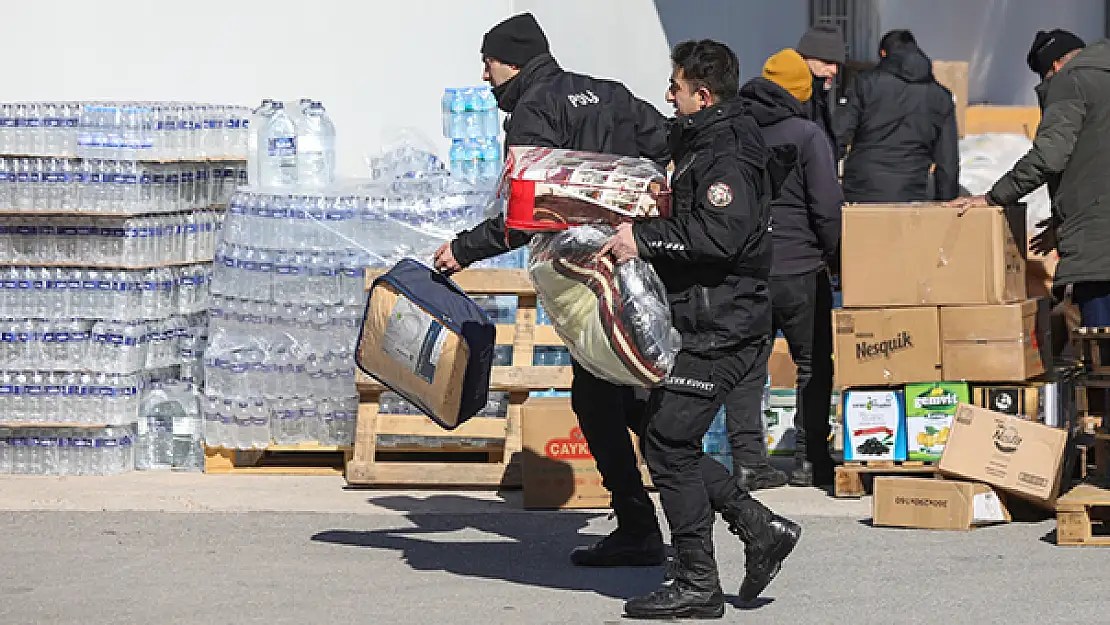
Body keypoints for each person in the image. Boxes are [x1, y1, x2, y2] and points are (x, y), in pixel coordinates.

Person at [431, 12, 673, 568]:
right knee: (627, 388)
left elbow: (526, 215)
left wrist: (463, 249)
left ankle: (662, 520)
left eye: (489, 63)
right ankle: (676, 512)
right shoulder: (606, 93)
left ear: (512, 61)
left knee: (599, 395)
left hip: (582, 278)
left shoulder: (533, 110)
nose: (487, 76)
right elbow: (668, 143)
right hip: (633, 263)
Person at [599, 39, 801, 620]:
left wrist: (646, 239)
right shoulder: (705, 136)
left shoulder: (729, 154)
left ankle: (698, 582)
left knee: (667, 444)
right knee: (663, 433)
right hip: (708, 319)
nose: (670, 95)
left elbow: (722, 236)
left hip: (724, 327)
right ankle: (760, 528)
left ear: (702, 94)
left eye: (677, 87)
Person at [728, 49, 842, 490]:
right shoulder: (807, 135)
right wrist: (834, 258)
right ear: (801, 91)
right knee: (813, 364)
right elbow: (827, 208)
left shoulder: (736, 131)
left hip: (748, 268)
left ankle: (749, 461)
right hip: (800, 268)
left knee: (747, 366)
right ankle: (810, 458)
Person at [952, 31, 1110, 328]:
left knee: (1102, 352)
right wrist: (1064, 222)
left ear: (1055, 67)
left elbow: (1050, 157)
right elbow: (1097, 162)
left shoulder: (1071, 81)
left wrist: (992, 197)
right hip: (1096, 230)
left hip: (1100, 256)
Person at [835, 29, 960, 203]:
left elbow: (837, 136)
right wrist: (947, 205)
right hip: (911, 191)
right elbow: (948, 162)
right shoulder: (941, 96)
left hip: (861, 188)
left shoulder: (864, 83)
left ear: (883, 53)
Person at [796, 23, 846, 153]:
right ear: (806, 59)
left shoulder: (819, 99)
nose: (834, 70)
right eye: (827, 62)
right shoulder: (796, 100)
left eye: (837, 64)